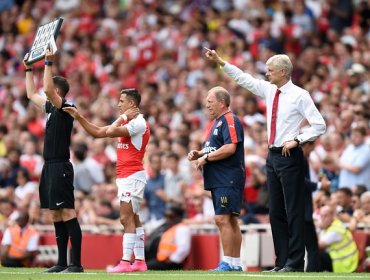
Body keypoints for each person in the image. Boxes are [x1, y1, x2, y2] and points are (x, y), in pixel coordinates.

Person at [205, 50, 326, 272]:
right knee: (276, 211)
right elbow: (244, 79)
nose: (266, 74)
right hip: (272, 156)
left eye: (270, 70)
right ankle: (281, 262)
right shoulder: (270, 90)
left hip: (289, 155)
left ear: (282, 71)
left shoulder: (300, 95)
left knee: (294, 210)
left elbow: (319, 125)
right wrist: (222, 62)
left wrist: (297, 140)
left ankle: (296, 263)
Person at [63, 88, 150, 273]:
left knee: (125, 218)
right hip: (126, 177)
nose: (118, 104)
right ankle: (140, 262)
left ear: (131, 104)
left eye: (121, 101)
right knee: (133, 218)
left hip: (132, 176)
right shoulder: (131, 122)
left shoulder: (139, 123)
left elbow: (110, 131)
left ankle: (126, 262)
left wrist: (123, 117)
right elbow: (97, 132)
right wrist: (78, 117)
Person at [23, 50, 83, 273]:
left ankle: (76, 263)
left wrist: (48, 61)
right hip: (49, 167)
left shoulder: (67, 107)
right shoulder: (50, 108)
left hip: (60, 166)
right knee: (55, 213)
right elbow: (31, 94)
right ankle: (61, 263)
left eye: (49, 90)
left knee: (67, 212)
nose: (44, 92)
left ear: (57, 91)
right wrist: (28, 67)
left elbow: (46, 89)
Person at [188, 86, 245, 271]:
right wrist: (199, 153)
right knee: (230, 220)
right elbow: (214, 148)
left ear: (222, 102)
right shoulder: (215, 123)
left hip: (227, 177)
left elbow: (230, 148)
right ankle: (235, 264)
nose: (206, 105)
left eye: (210, 101)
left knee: (222, 219)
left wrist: (206, 158)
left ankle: (227, 262)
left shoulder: (229, 119)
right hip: (220, 178)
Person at [301, 141, 330, 272]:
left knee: (304, 246)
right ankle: (311, 273)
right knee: (312, 247)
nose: (310, 152)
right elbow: (301, 181)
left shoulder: (301, 159)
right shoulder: (301, 158)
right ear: (307, 145)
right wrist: (319, 186)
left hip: (299, 210)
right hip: (304, 211)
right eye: (311, 149)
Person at [145, 205, 191, 270]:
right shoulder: (170, 227)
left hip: (172, 263)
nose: (168, 219)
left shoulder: (182, 228)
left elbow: (184, 248)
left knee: (146, 267)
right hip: (162, 259)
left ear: (179, 217)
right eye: (166, 216)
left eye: (170, 216)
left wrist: (172, 260)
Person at [317, 205, 359, 272]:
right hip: (339, 259)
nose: (322, 219)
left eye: (325, 216)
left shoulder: (336, 230)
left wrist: (318, 228)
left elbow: (318, 245)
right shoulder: (329, 225)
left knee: (316, 255)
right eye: (321, 216)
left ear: (332, 215)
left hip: (346, 263)